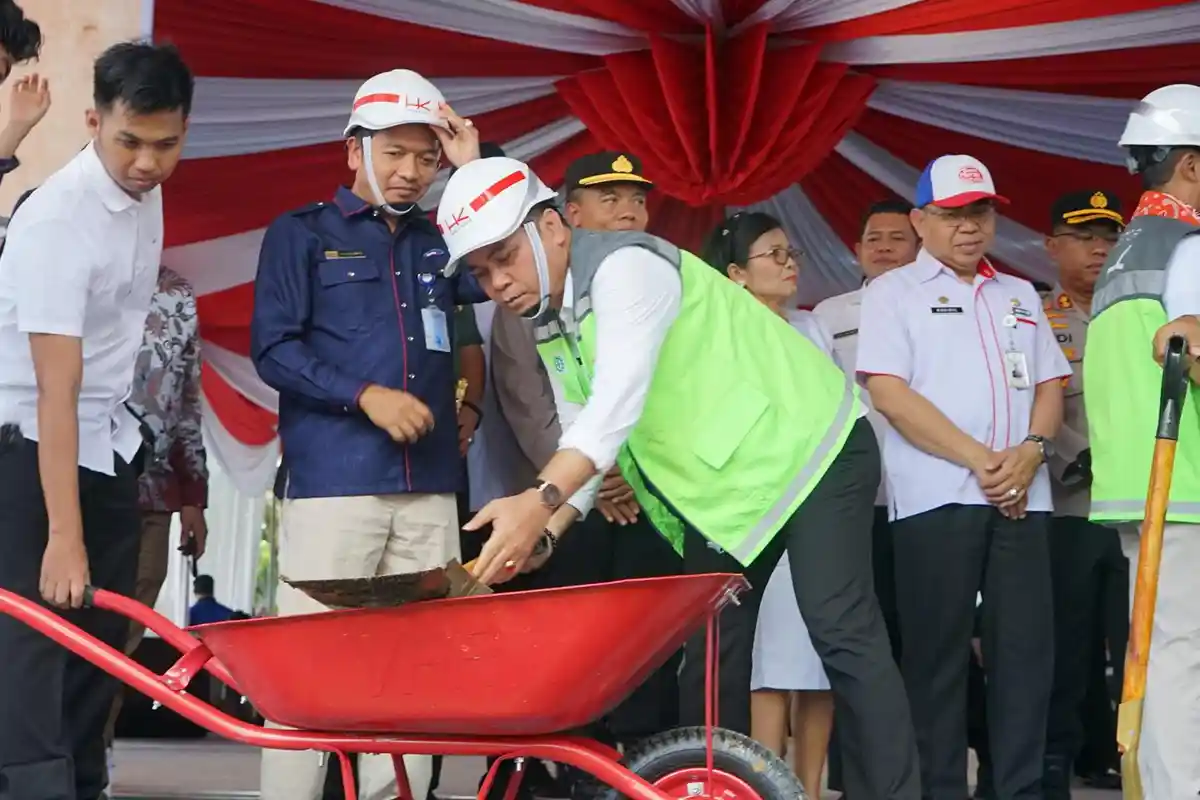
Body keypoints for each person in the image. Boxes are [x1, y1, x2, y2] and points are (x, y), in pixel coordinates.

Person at [443, 156, 920, 800]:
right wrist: (545, 535)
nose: (498, 282)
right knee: (710, 652)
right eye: (482, 272)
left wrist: (538, 500)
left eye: (504, 258)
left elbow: (616, 404)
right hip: (729, 489)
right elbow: (585, 433)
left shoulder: (627, 268)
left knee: (840, 628)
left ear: (553, 227)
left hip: (815, 451)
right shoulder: (551, 320)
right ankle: (715, 790)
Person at [250, 68, 484, 800]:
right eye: (395, 154)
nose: (412, 172)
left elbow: (516, 264)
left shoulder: (446, 241)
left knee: (415, 674)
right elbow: (274, 350)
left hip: (429, 488)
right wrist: (366, 396)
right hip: (334, 485)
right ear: (354, 150)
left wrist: (477, 172)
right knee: (309, 673)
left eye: (427, 158)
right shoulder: (301, 234)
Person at [0, 40, 193, 800]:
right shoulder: (58, 218)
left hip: (109, 443)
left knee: (98, 644)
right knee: (32, 647)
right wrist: (63, 535)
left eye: (166, 144)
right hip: (29, 449)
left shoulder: (147, 193)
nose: (147, 162)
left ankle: (81, 784)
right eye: (129, 142)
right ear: (92, 121)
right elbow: (54, 389)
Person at [857, 154, 1070, 800]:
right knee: (938, 662)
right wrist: (983, 461)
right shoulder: (892, 293)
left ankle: (1020, 790)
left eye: (980, 212)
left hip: (1022, 502)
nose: (970, 227)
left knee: (1025, 659)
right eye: (953, 215)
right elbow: (890, 395)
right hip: (935, 501)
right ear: (920, 220)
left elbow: (1052, 385)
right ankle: (941, 788)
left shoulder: (1017, 295)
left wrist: (1031, 450)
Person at [488, 150, 681, 751]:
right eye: (611, 199)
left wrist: (618, 466)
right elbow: (532, 405)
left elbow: (659, 388)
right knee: (579, 646)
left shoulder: (651, 274)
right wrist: (587, 477)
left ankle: (648, 763)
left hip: (653, 491)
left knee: (648, 637)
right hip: (573, 498)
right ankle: (581, 763)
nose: (629, 211)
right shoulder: (525, 294)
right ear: (565, 217)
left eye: (637, 199)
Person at [1083, 83, 1200, 800]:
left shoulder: (1128, 250)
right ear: (1191, 163)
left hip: (1144, 484)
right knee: (1183, 656)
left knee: (1161, 655)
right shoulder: (1189, 246)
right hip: (1185, 482)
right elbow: (1184, 347)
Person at [701, 211, 835, 799]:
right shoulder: (719, 335)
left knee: (816, 659)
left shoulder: (814, 330)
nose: (788, 265)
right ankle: (765, 785)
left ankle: (808, 785)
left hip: (820, 510)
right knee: (767, 661)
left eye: (791, 254)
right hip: (756, 514)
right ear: (735, 274)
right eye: (772, 256)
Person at [813, 198, 918, 799]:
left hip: (924, 496)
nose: (883, 246)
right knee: (859, 643)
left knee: (917, 639)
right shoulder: (828, 315)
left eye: (896, 237)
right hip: (855, 502)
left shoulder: (932, 307)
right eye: (872, 237)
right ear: (855, 249)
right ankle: (856, 779)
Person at [1039, 190, 1128, 799]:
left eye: (1108, 236)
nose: (1099, 248)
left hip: (1134, 508)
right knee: (1066, 644)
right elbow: (1032, 402)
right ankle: (1056, 763)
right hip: (1068, 504)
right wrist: (1081, 459)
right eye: (1084, 237)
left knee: (1134, 643)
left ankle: (1130, 757)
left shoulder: (1139, 313)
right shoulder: (1037, 317)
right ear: (1052, 246)